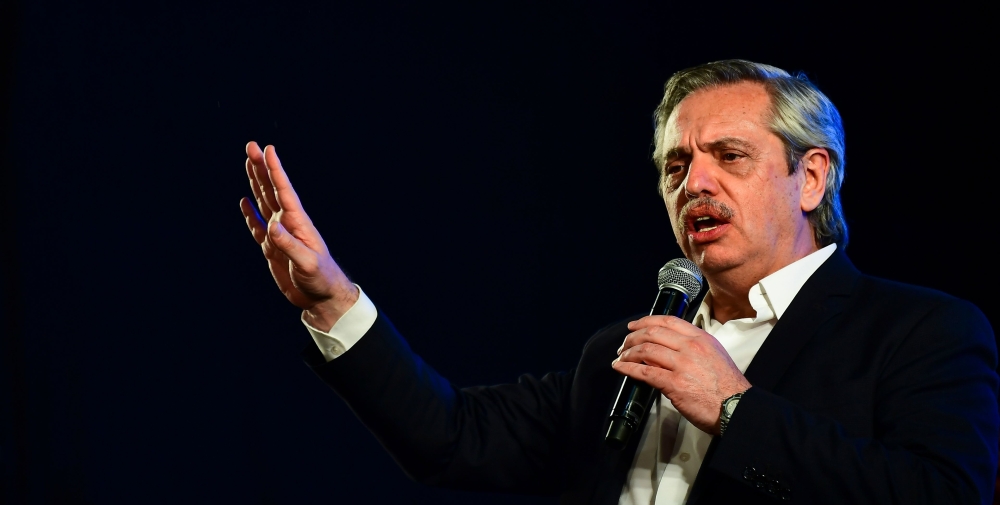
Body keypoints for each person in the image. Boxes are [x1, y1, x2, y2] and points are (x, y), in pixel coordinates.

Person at [240, 59, 999, 504]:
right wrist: (334, 300)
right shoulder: (622, 350)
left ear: (811, 177)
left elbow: (940, 496)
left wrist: (735, 410)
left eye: (728, 156)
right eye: (676, 164)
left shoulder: (920, 332)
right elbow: (454, 438)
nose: (694, 181)